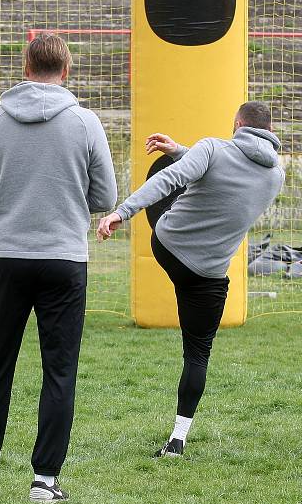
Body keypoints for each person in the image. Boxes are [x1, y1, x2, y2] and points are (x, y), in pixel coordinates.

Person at [0, 33, 118, 502]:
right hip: (65, 260)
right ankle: (45, 482)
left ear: (26, 68)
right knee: (60, 371)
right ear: (66, 71)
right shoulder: (86, 123)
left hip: (9, 258)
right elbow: (105, 198)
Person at [97, 101, 285, 457]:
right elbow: (230, 171)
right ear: (269, 131)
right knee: (197, 354)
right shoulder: (276, 174)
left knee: (180, 190)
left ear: (237, 124)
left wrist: (123, 213)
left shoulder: (212, 147)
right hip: (209, 274)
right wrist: (184, 151)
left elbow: (170, 178)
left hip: (167, 246)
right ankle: (177, 440)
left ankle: (177, 442)